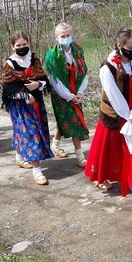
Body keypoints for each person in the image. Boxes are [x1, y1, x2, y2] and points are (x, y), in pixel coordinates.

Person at [84, 28, 132, 196]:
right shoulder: (107, 68)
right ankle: (101, 176)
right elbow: (114, 96)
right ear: (119, 45)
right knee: (109, 148)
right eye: (130, 48)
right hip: (116, 113)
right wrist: (129, 115)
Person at [1, 31, 54, 185]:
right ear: (13, 47)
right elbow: (8, 89)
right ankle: (37, 171)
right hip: (20, 105)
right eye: (18, 45)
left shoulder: (34, 59)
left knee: (27, 131)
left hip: (37, 102)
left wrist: (39, 84)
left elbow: (43, 79)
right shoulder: (9, 64)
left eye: (24, 44)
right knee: (31, 133)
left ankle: (19, 157)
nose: (22, 47)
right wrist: (25, 95)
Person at [45, 22, 89, 168]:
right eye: (62, 36)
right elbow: (55, 80)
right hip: (61, 94)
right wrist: (69, 96)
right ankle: (80, 157)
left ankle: (55, 145)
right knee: (73, 121)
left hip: (75, 91)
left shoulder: (77, 50)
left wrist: (80, 92)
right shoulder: (53, 55)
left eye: (68, 35)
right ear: (57, 38)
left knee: (64, 121)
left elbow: (83, 72)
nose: (66, 38)